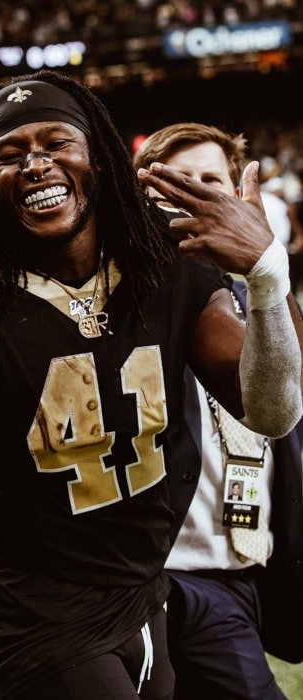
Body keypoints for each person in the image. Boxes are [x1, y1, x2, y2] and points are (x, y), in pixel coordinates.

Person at [0, 70, 302, 700]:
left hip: (143, 591)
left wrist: (270, 275)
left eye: (57, 143)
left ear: (99, 154)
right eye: (8, 153)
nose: (35, 163)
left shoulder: (163, 258)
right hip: (33, 610)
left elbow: (271, 413)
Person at [133, 121, 303, 700]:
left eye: (210, 181)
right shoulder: (118, 300)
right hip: (161, 572)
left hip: (241, 565)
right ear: (143, 195)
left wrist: (266, 270)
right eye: (176, 182)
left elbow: (291, 402)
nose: (194, 194)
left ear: (236, 200)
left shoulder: (258, 295)